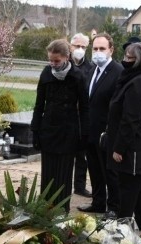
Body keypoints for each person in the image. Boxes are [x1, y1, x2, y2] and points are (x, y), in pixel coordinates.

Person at [31, 39, 89, 211]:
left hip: (68, 132)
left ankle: (62, 210)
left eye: (56, 61)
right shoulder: (46, 74)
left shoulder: (77, 76)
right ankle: (45, 210)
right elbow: (39, 104)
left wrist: (84, 135)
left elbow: (85, 107)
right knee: (48, 175)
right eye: (50, 60)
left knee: (63, 176)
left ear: (66, 57)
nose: (53, 64)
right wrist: (35, 131)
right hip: (48, 130)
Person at [104, 42, 141, 230]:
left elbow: (130, 119)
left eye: (129, 58)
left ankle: (123, 230)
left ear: (139, 61)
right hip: (135, 146)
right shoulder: (134, 79)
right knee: (139, 191)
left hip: (133, 148)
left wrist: (119, 148)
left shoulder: (140, 82)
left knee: (128, 192)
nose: (124, 60)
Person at [78, 33, 122, 216]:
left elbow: (117, 105)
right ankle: (98, 202)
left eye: (102, 49)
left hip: (106, 131)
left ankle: (113, 207)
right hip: (90, 130)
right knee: (94, 169)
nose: (98, 52)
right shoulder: (91, 70)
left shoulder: (118, 72)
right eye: (95, 49)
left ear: (111, 50)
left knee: (109, 171)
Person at [70, 32, 94, 198]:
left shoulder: (90, 68)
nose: (80, 49)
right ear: (70, 46)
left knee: (82, 155)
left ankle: (79, 185)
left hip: (83, 116)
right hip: (66, 114)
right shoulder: (64, 64)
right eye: (77, 46)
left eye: (83, 47)